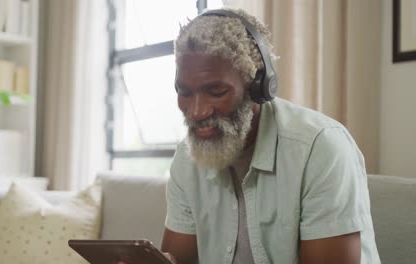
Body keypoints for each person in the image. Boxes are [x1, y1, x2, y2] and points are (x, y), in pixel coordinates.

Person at [161, 8, 381, 264]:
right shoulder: (187, 160)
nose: (197, 112)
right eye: (185, 92)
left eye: (216, 91)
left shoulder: (320, 148)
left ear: (258, 86)